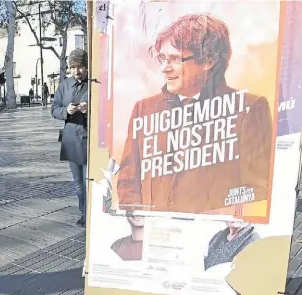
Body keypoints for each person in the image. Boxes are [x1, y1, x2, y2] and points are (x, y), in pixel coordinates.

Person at [116, 14, 273, 215]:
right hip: (155, 235)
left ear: (208, 60)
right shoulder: (144, 109)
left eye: (174, 59)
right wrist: (139, 223)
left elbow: (257, 188)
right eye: (162, 58)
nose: (164, 68)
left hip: (210, 237)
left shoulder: (249, 108)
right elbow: (128, 179)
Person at [52, 49, 89, 227]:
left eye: (80, 67)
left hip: (90, 139)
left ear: (86, 66)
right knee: (78, 183)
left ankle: (92, 213)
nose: (76, 71)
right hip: (71, 139)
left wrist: (90, 109)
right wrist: (66, 111)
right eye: (73, 67)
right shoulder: (64, 85)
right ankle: (84, 213)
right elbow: (54, 109)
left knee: (89, 181)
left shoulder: (95, 84)